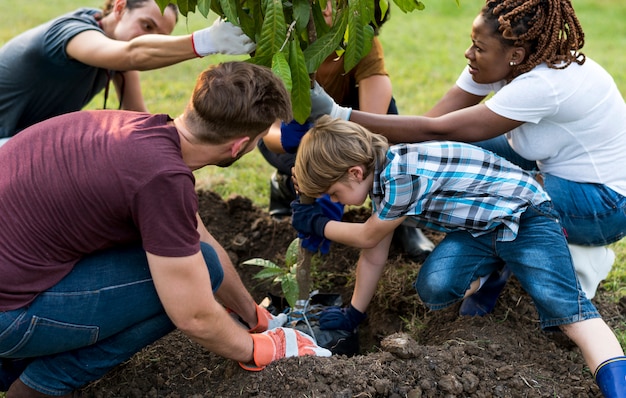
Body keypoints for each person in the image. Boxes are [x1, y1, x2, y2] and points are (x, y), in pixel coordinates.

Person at [0, 61, 331, 398]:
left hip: (15, 281)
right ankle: (36, 388)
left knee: (202, 264)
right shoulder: (161, 179)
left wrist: (254, 316)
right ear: (238, 146)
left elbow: (196, 234)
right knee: (188, 283)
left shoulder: (141, 130)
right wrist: (260, 348)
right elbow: (194, 316)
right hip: (8, 316)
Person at [308, 0, 626, 302]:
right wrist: (369, 163)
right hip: (548, 171)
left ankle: (574, 251)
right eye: (472, 42)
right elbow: (432, 129)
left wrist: (339, 114)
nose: (468, 53)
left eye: (479, 48)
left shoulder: (544, 83)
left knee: (492, 200)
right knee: (438, 286)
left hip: (603, 204)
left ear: (515, 54)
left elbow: (440, 130)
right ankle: (516, 238)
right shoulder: (497, 62)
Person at [290, 115, 626, 397]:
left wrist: (320, 224)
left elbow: (367, 234)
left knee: (570, 315)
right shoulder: (384, 187)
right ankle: (496, 268)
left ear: (355, 172)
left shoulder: (401, 174)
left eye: (334, 193)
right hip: (480, 230)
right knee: (434, 287)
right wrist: (353, 314)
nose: (341, 202)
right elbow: (372, 252)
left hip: (525, 217)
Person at [259, 0, 434, 260]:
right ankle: (286, 184)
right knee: (295, 153)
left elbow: (375, 122)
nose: (326, 8)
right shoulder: (279, 44)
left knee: (390, 120)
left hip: (349, 136)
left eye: (335, 1)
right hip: (297, 142)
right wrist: (291, 140)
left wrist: (339, 163)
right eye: (318, 3)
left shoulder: (358, 38)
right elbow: (265, 132)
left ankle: (401, 218)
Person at [0, 0, 256, 142]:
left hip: (17, 143)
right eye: (147, 26)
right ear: (120, 7)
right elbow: (132, 53)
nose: (152, 39)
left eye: (160, 36)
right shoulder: (73, 33)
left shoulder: (114, 47)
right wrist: (207, 41)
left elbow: (138, 117)